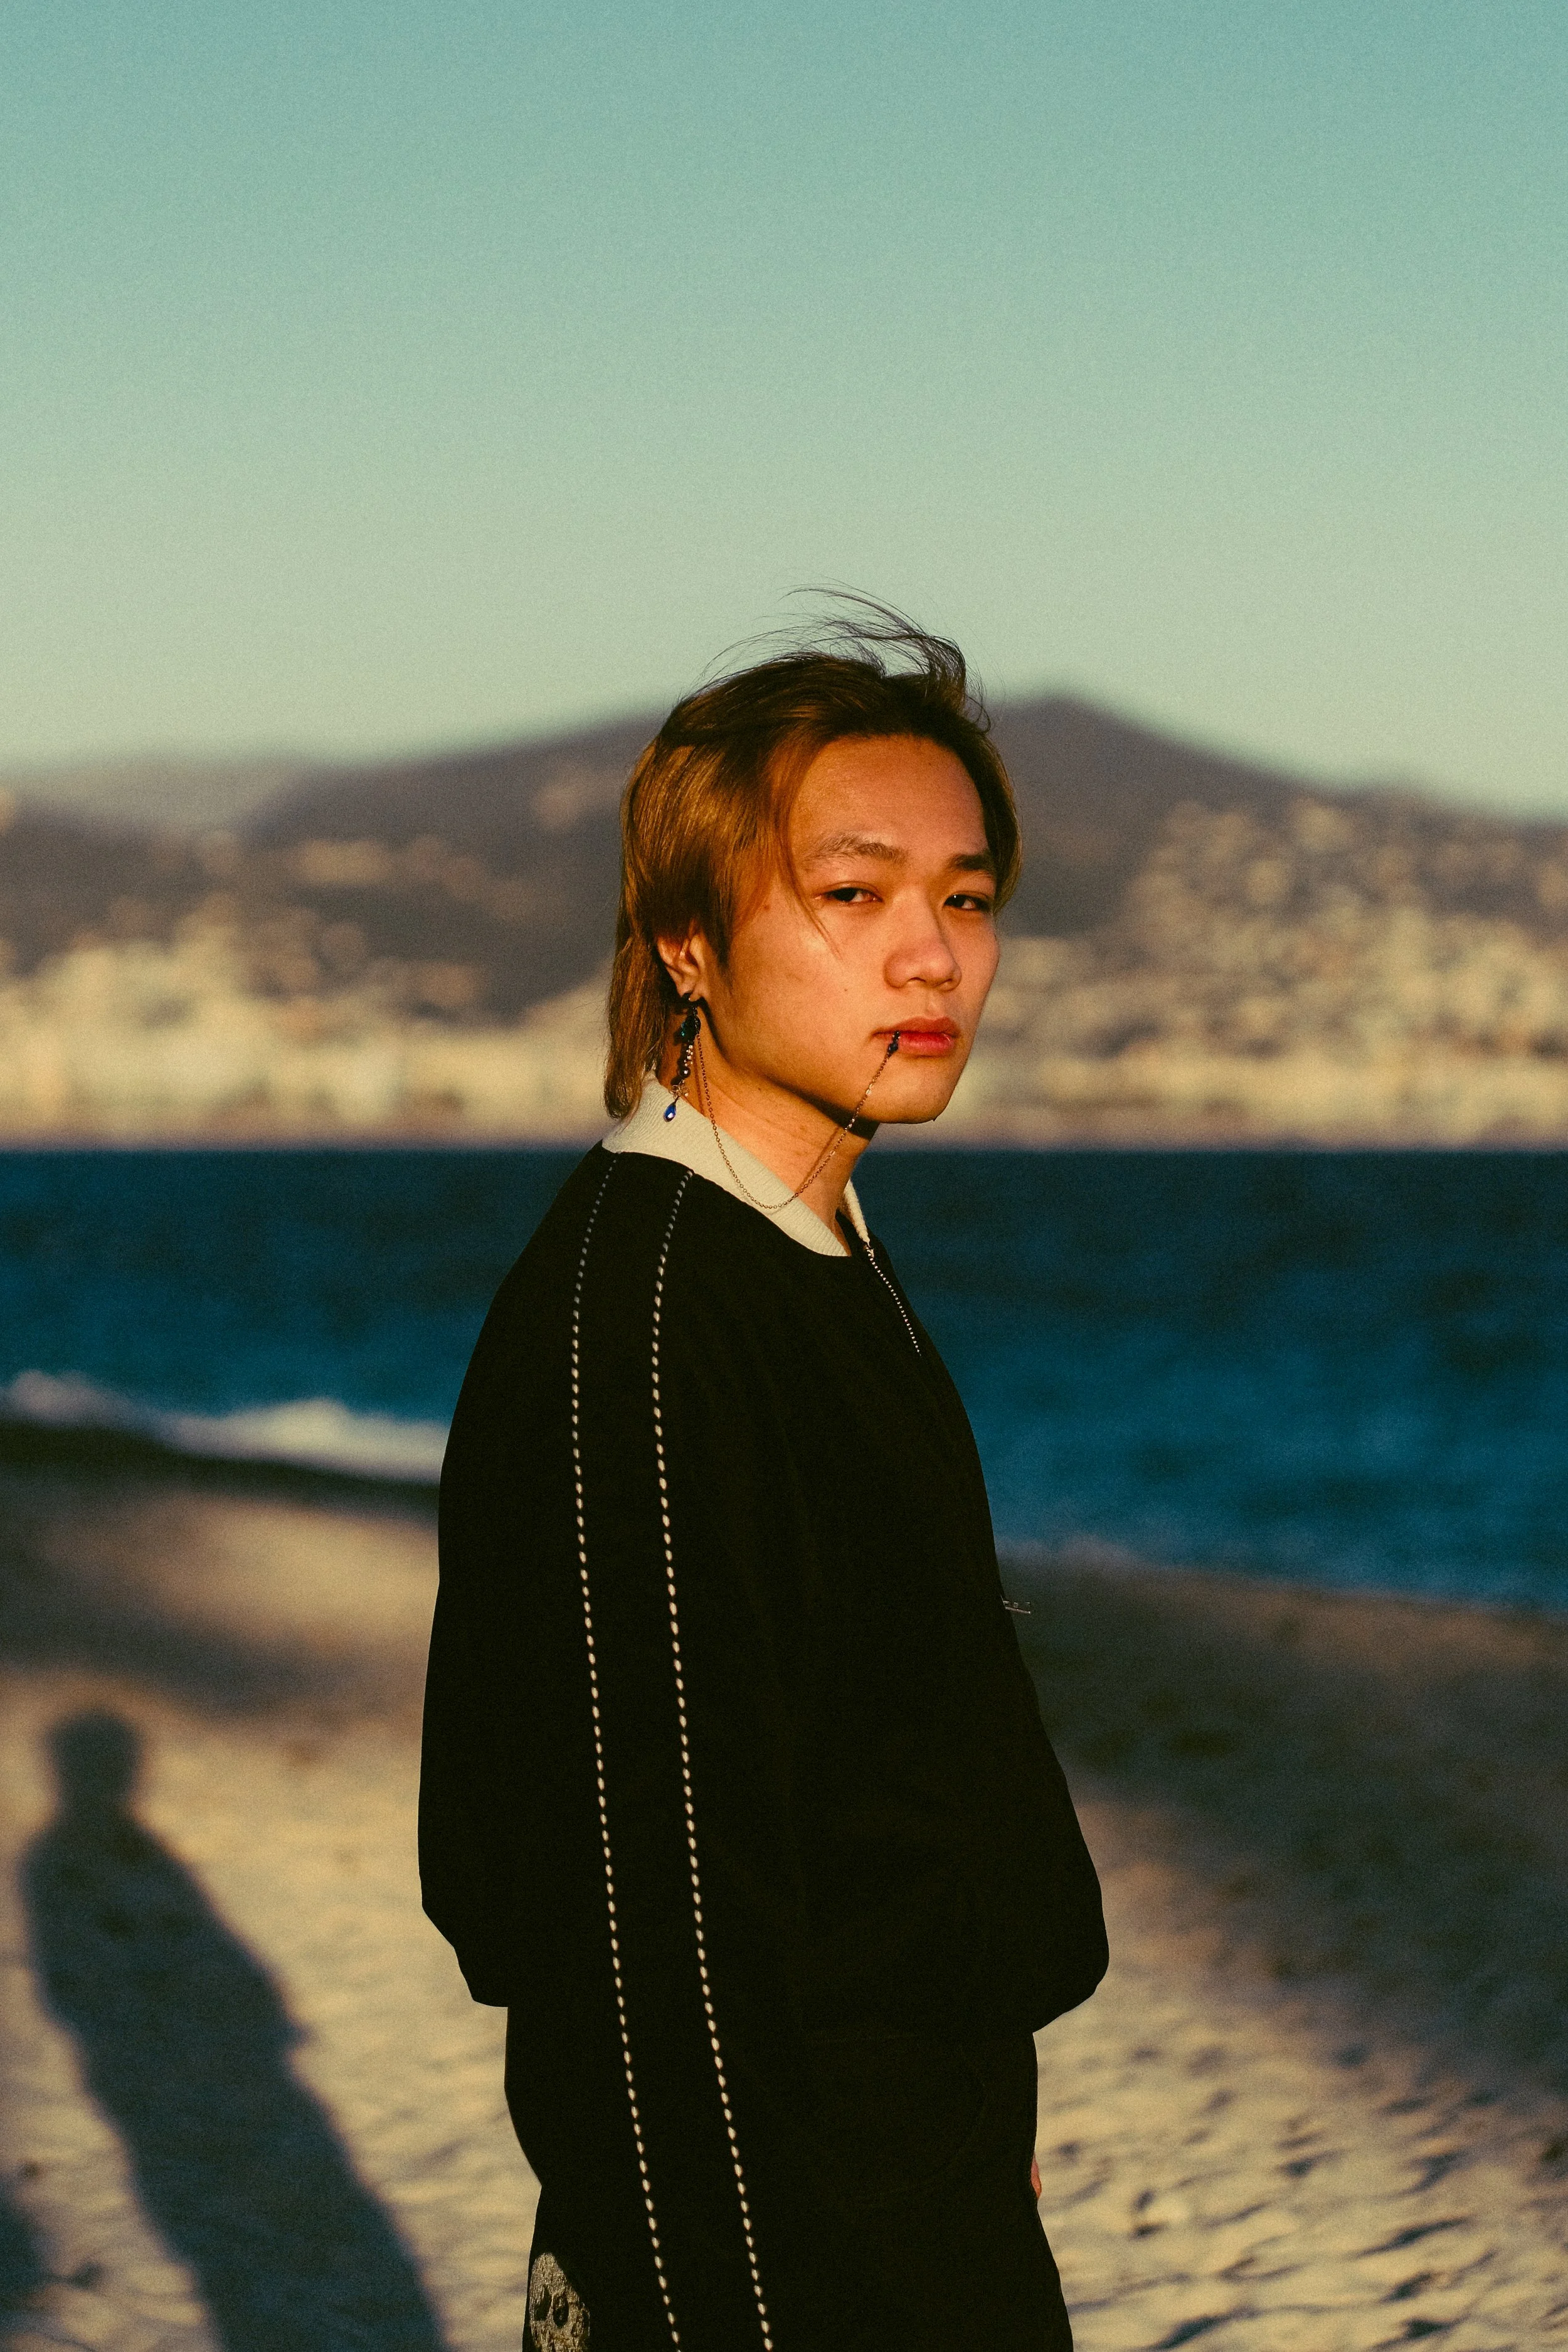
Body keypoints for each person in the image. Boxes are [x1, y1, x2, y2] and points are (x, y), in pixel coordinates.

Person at [420, 609, 1108, 2351]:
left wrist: (989, 2142)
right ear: (689, 946)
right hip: (769, 2260)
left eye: (964, 897)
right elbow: (626, 1938)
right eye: (855, 892)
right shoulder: (643, 1320)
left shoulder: (809, 1252)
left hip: (921, 2198)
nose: (930, 957)